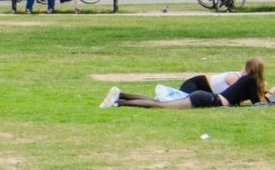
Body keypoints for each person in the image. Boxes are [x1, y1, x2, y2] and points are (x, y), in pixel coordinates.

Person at [105, 59, 267, 108]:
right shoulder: (251, 81)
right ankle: (119, 103)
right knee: (160, 105)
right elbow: (257, 104)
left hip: (207, 96)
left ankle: (121, 96)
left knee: (159, 102)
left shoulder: (245, 79)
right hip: (207, 99)